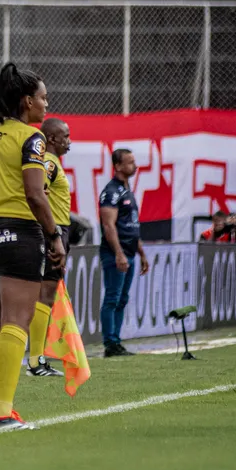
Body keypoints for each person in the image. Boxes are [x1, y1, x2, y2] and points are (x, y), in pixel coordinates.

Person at [0, 63, 64, 430]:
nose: (46, 104)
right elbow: (36, 195)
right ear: (26, 101)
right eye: (42, 97)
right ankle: (2, 412)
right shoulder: (31, 138)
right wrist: (54, 235)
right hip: (19, 233)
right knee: (17, 322)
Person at [25, 117, 71, 378]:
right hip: (53, 232)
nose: (69, 140)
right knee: (45, 294)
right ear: (51, 139)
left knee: (47, 295)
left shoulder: (54, 163)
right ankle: (35, 360)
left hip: (59, 230)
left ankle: (36, 358)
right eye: (64, 135)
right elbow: (39, 187)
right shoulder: (50, 162)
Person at [99, 148, 149, 357]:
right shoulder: (111, 192)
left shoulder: (128, 191)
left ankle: (116, 341)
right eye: (129, 162)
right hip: (115, 253)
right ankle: (110, 343)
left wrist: (142, 253)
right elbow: (109, 226)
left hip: (129, 251)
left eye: (134, 162)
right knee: (112, 297)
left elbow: (131, 226)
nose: (134, 166)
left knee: (122, 299)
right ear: (118, 166)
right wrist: (118, 253)